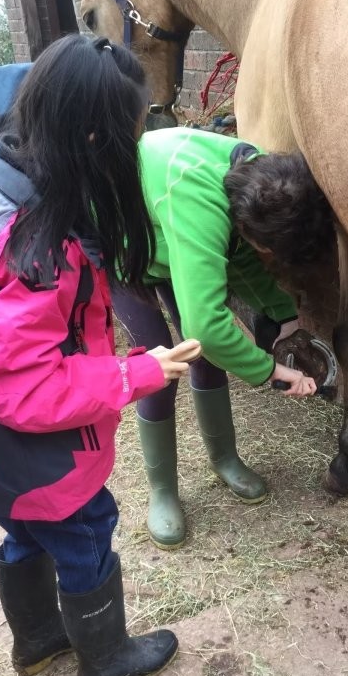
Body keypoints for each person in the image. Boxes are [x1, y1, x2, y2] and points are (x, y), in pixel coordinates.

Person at [0, 35, 201, 676]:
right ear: (90, 137)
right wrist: (136, 372)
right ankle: (105, 659)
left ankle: (36, 643)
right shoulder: (38, 254)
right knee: (85, 531)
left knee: (25, 531)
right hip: (33, 450)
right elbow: (24, 386)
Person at [112, 126, 321, 551]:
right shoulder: (198, 200)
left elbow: (242, 256)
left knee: (205, 358)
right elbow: (206, 325)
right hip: (125, 252)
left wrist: (286, 321)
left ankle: (225, 459)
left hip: (170, 241)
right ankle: (164, 491)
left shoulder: (262, 174)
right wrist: (271, 372)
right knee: (160, 367)